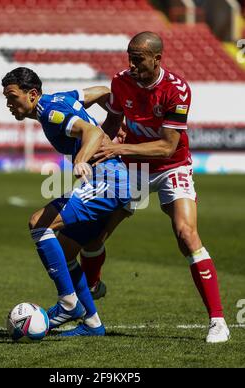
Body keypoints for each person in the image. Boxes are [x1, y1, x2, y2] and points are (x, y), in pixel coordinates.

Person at [80, 31, 230, 343]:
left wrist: (117, 149)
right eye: (129, 58)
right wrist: (97, 148)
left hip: (170, 165)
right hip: (133, 167)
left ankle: (218, 320)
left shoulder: (177, 91)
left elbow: (166, 146)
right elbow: (112, 122)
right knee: (93, 232)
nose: (132, 65)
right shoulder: (120, 82)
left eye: (138, 59)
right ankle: (93, 286)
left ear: (156, 58)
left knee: (186, 235)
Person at [2, 67, 131, 337]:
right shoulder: (60, 98)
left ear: (33, 94)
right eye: (6, 98)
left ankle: (69, 303)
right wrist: (117, 117)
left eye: (13, 97)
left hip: (109, 183)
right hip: (110, 181)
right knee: (66, 250)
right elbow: (101, 92)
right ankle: (93, 324)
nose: (9, 104)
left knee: (39, 223)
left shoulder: (51, 114)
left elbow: (91, 133)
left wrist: (82, 159)